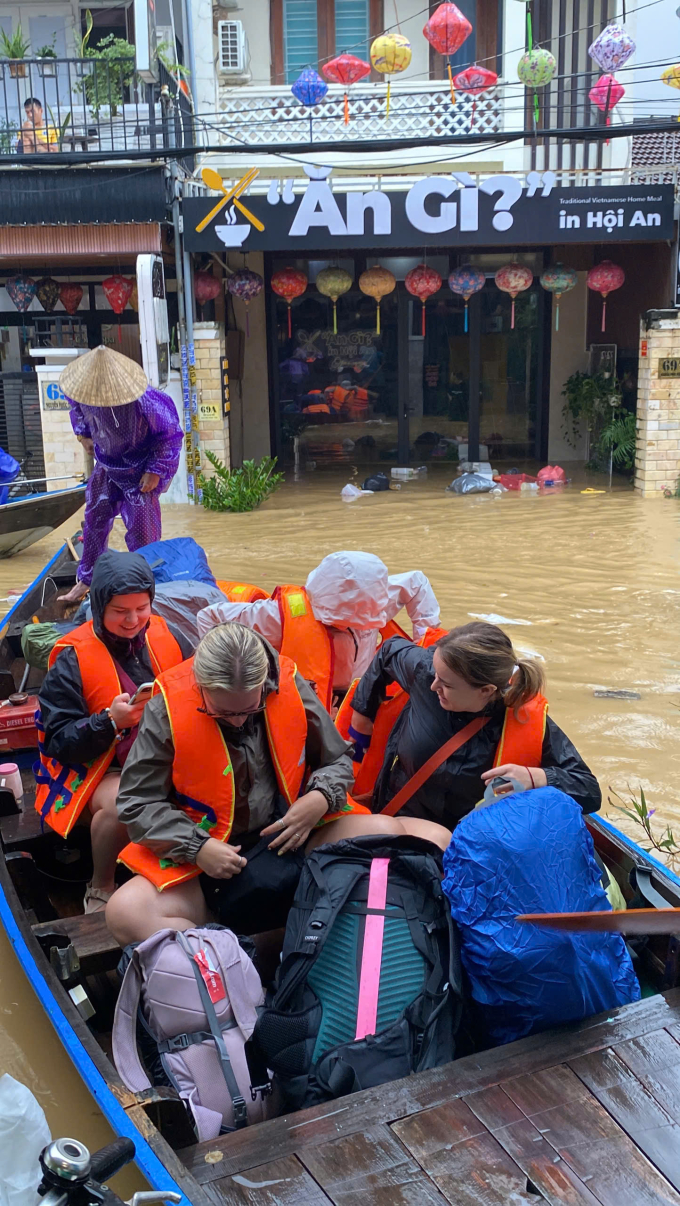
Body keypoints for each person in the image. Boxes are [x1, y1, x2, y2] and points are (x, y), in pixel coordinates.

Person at [105, 623, 449, 947]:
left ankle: (323, 939)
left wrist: (320, 796)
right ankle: (228, 954)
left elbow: (337, 759)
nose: (238, 720)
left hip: (293, 833)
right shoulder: (166, 706)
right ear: (200, 685)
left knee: (384, 830)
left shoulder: (289, 683)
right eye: (222, 712)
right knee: (125, 913)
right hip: (206, 853)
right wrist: (197, 847)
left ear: (264, 685)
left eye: (249, 709)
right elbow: (137, 803)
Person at [34, 551, 191, 912]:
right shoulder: (72, 659)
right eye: (121, 611)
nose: (133, 620)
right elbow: (59, 741)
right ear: (99, 605)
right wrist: (109, 721)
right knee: (128, 803)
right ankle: (101, 885)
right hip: (103, 769)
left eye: (142, 608)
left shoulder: (170, 635)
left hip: (166, 753)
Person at [347, 621, 601, 830]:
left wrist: (536, 777)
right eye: (435, 676)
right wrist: (362, 712)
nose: (433, 686)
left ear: (486, 691)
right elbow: (390, 649)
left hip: (462, 851)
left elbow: (589, 791)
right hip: (392, 824)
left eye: (446, 684)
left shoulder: (521, 718)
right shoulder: (428, 672)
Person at [196, 551, 441, 711]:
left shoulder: (374, 596)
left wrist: (425, 649)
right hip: (312, 697)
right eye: (344, 622)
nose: (353, 627)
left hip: (359, 692)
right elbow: (210, 616)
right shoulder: (277, 616)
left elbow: (417, 583)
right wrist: (223, 674)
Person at [58, 346, 183, 603]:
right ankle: (86, 580)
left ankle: (146, 586)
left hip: (140, 467)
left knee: (142, 529)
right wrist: (83, 434)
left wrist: (155, 471)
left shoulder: (146, 400)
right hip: (107, 463)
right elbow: (77, 411)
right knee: (95, 517)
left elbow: (170, 436)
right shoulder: (82, 393)